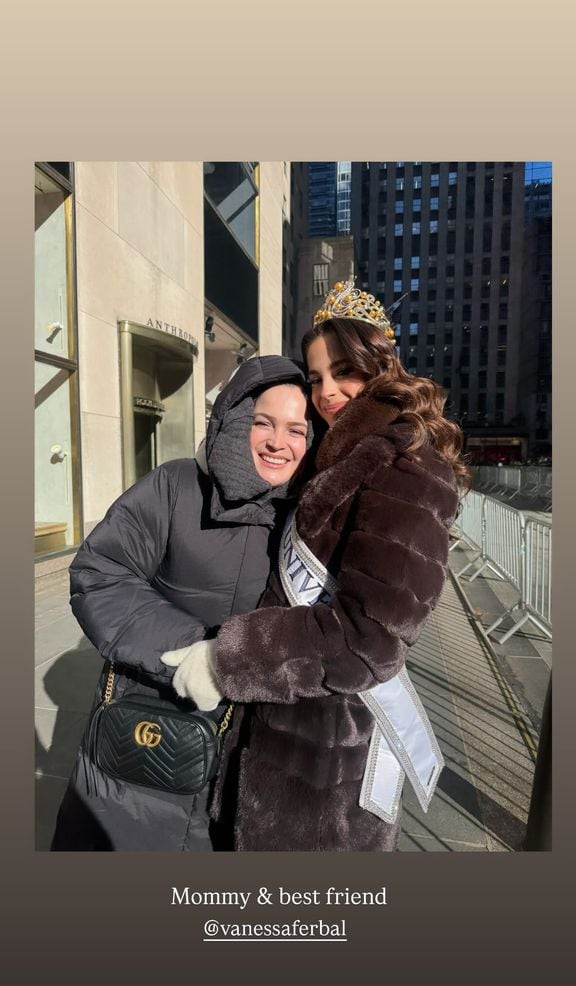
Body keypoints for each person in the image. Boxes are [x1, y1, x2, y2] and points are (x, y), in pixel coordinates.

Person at [162, 280, 472, 852]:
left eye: (343, 372)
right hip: (286, 727)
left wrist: (226, 660)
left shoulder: (408, 465)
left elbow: (369, 638)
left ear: (380, 367)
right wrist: (221, 457)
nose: (327, 392)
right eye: (316, 377)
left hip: (328, 760)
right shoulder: (342, 453)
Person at [50, 355, 311, 851]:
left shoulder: (312, 518)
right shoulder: (175, 486)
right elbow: (100, 572)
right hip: (151, 730)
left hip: (252, 757)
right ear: (236, 420)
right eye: (263, 422)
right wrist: (197, 653)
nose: (278, 442)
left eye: (296, 430)